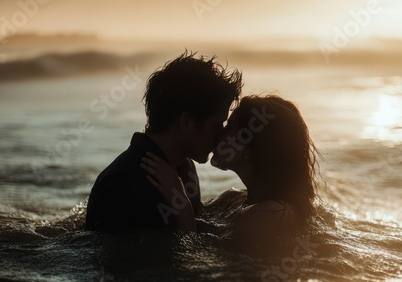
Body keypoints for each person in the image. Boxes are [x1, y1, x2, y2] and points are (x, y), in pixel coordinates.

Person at [85, 51, 243, 232]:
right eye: (217, 125)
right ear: (186, 122)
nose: (221, 135)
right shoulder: (123, 185)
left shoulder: (185, 168)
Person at [141, 95, 320, 243]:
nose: (219, 132)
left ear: (253, 145)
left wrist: (181, 206)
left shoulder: (269, 214)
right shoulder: (234, 198)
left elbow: (208, 265)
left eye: (230, 127)